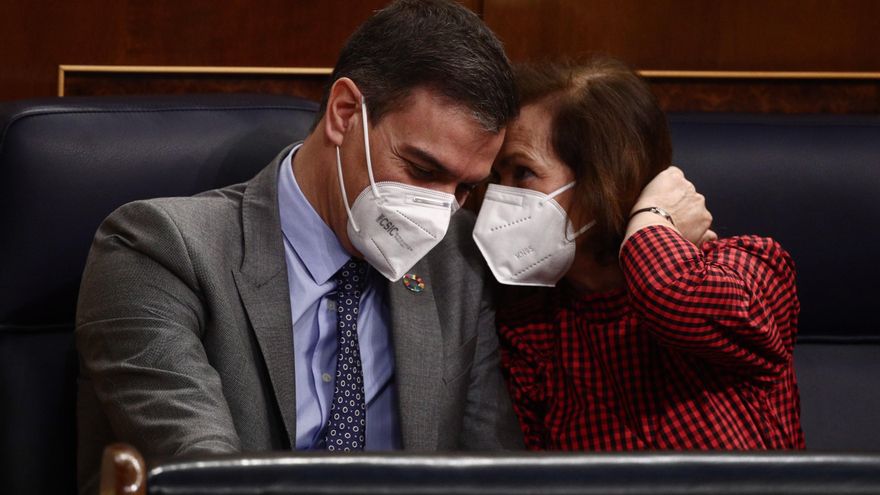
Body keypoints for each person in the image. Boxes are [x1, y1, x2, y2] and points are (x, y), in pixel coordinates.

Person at [75, 1, 526, 492]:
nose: (439, 212)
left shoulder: (457, 257)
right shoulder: (157, 248)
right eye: (421, 170)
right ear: (345, 113)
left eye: (464, 189)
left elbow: (494, 471)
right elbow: (206, 478)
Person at [472, 57, 804, 450]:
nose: (499, 197)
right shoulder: (532, 329)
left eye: (522, 173)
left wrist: (651, 217)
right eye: (497, 178)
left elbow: (668, 294)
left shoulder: (752, 267)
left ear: (603, 180)